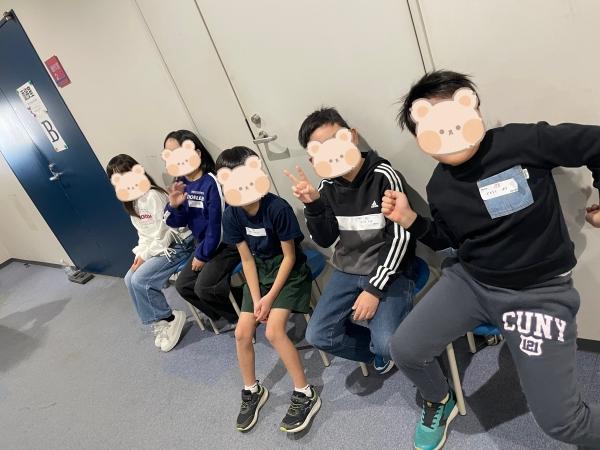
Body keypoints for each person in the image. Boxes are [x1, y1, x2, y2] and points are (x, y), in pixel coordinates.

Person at [383, 70, 600, 449]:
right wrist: (412, 220)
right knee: (404, 349)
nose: (448, 128)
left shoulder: (521, 142)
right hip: (470, 281)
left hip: (537, 293)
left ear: (473, 108)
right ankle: (439, 399)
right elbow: (450, 241)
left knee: (564, 424)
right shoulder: (439, 186)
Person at [287, 107, 416, 374]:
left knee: (386, 343)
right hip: (347, 269)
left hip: (389, 269)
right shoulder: (326, 187)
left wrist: (373, 289)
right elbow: (325, 239)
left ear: (352, 137)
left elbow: (401, 236)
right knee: (318, 335)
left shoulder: (383, 176)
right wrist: (313, 205)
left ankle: (384, 348)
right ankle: (376, 351)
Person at [216, 146, 321, 433]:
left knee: (274, 331)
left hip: (289, 271)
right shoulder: (232, 214)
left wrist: (270, 298)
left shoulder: (277, 208)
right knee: (242, 332)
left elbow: (289, 257)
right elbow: (247, 260)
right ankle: (252, 390)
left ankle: (305, 392)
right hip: (259, 272)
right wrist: (257, 299)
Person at [106, 154, 193, 352]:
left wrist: (146, 257)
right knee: (129, 278)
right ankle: (160, 321)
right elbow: (144, 235)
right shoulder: (132, 202)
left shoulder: (153, 195)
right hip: (158, 248)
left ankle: (170, 318)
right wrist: (140, 255)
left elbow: (165, 232)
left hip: (178, 243)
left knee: (140, 280)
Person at [163, 130, 240, 330]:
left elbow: (218, 226)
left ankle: (240, 317)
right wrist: (174, 206)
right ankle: (223, 312)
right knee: (183, 286)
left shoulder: (212, 182)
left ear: (196, 152)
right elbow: (174, 222)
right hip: (203, 244)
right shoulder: (181, 183)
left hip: (226, 244)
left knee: (203, 287)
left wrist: (202, 255)